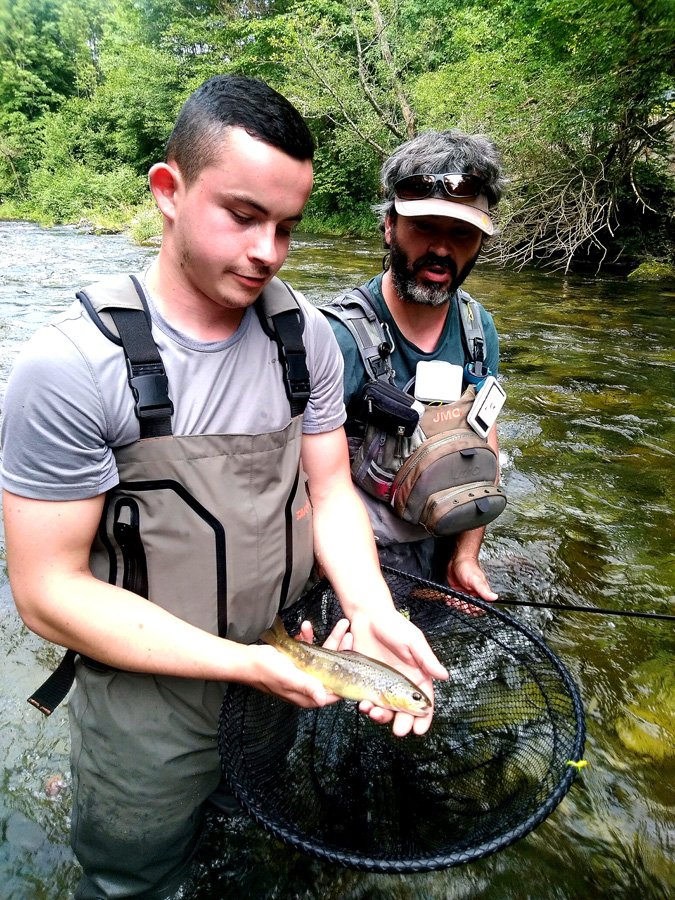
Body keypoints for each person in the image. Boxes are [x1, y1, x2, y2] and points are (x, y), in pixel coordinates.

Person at [0, 76, 447, 900]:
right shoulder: (67, 369)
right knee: (132, 877)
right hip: (145, 694)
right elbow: (46, 593)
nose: (267, 253)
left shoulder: (303, 334)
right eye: (242, 217)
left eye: (287, 227)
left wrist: (370, 607)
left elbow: (331, 490)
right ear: (168, 191)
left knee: (241, 831)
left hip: (282, 658)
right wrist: (242, 664)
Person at [323, 129, 505, 602]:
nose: (442, 250)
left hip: (445, 537)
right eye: (424, 226)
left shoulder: (478, 329)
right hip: (359, 559)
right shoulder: (338, 338)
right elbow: (310, 491)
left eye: (461, 233)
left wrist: (466, 556)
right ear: (389, 227)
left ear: (480, 242)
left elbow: (485, 441)